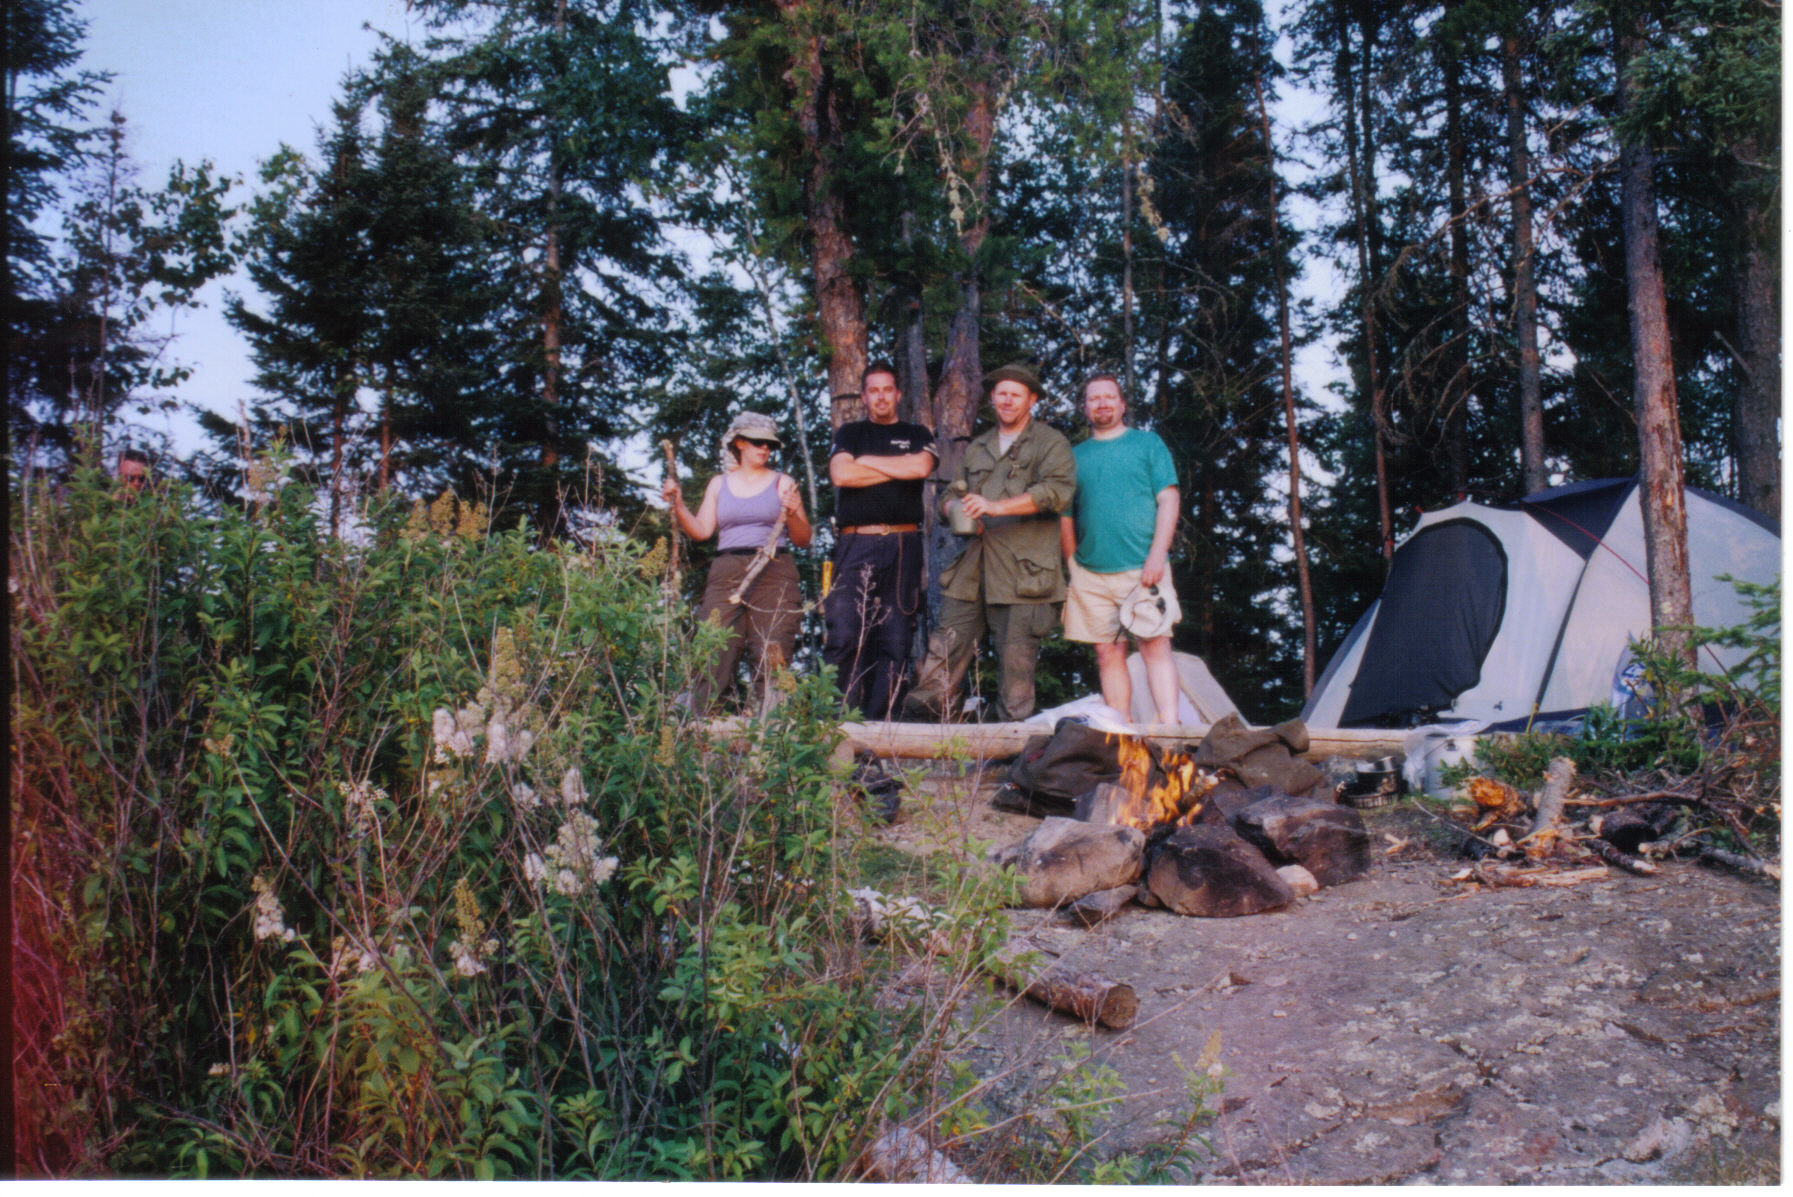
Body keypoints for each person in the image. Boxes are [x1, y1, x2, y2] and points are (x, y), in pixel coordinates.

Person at [902, 363, 1076, 723]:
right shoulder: (978, 447)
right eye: (1002, 393)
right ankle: (920, 739)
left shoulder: (1050, 443)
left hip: (1023, 575)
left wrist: (995, 507)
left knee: (1016, 677)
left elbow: (1056, 492)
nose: (1008, 400)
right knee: (942, 657)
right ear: (993, 398)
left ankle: (1012, 751)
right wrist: (955, 510)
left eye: (1016, 394)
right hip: (972, 571)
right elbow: (950, 495)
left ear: (1032, 400)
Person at [663, 411, 813, 713]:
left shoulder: (783, 482)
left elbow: (802, 539)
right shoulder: (719, 484)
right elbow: (701, 531)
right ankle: (700, 726)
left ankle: (772, 727)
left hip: (774, 570)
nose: (765, 448)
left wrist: (795, 511)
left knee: (772, 649)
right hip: (727, 570)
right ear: (739, 443)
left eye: (770, 444)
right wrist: (677, 504)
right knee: (713, 648)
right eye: (758, 442)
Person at [1059, 373, 1183, 724]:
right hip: (1091, 573)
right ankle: (1121, 734)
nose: (1102, 403)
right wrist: (1073, 564)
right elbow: (1065, 515)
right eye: (1093, 398)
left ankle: (1169, 731)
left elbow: (1169, 499)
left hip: (1144, 568)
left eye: (1109, 397)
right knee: (1107, 654)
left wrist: (1157, 555)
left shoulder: (1148, 444)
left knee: (1155, 647)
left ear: (1122, 404)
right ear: (1085, 408)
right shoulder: (1074, 457)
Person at [824, 361, 936, 719]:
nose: (881, 397)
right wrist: (897, 467)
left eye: (887, 389)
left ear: (898, 394)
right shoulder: (850, 433)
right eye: (874, 390)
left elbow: (919, 468)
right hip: (856, 544)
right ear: (864, 396)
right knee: (844, 633)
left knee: (896, 638)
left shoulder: (916, 433)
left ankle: (879, 729)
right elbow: (841, 475)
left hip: (903, 546)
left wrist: (867, 462)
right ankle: (836, 725)